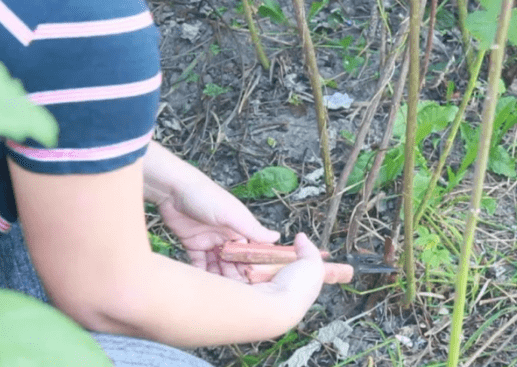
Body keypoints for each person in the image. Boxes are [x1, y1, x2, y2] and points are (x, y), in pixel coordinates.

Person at [0, 0, 325, 365]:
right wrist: (277, 305)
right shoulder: (87, 19)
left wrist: (170, 185)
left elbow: (41, 98)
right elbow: (108, 299)